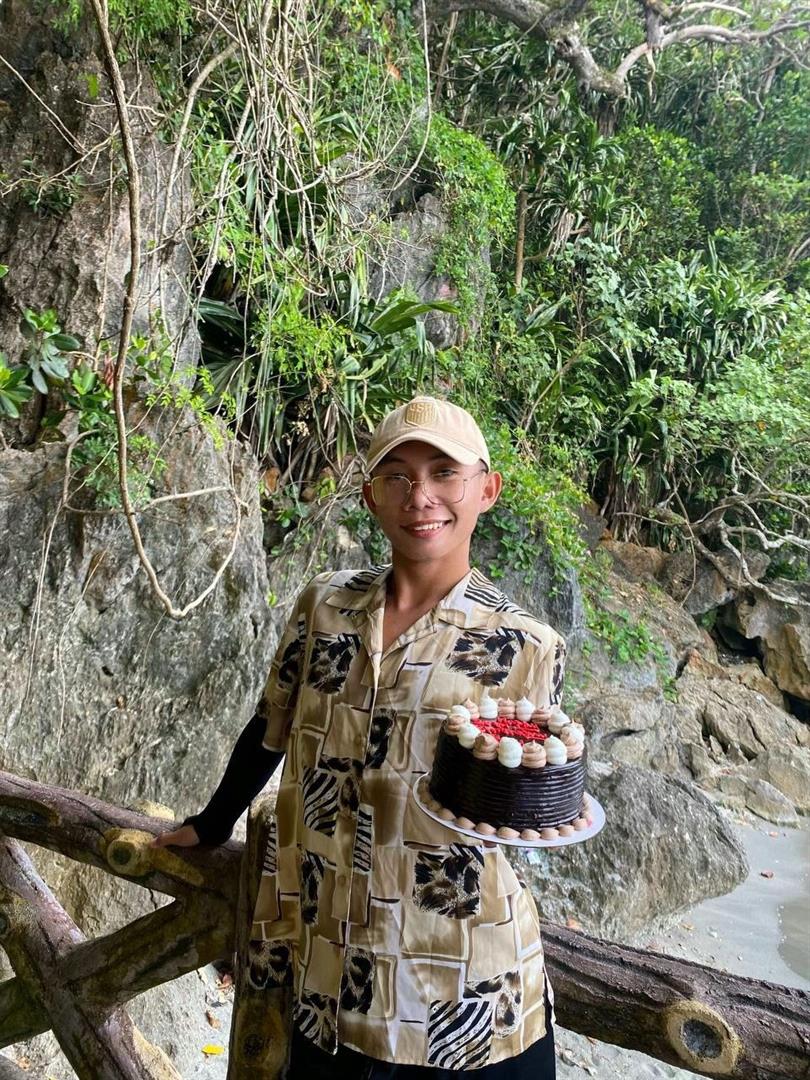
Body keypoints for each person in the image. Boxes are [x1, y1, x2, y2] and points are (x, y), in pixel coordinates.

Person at [153, 396, 565, 1077]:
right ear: (372, 497)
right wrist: (213, 820)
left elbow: (525, 788)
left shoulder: (524, 645)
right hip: (326, 970)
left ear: (486, 490)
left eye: (444, 473)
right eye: (397, 476)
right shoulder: (326, 604)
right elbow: (272, 724)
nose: (420, 496)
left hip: (463, 984)